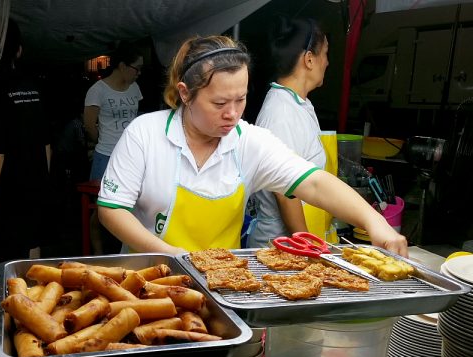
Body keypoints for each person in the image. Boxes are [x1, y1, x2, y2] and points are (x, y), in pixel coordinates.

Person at [96, 35, 408, 257]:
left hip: (220, 285)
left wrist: (374, 222)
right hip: (149, 282)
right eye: (219, 102)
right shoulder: (145, 134)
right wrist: (171, 255)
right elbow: (112, 209)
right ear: (185, 93)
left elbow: (313, 183)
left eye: (241, 99)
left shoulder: (249, 142)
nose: (232, 113)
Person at [0, 19, 54, 283]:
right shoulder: (32, 86)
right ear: (18, 50)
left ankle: (6, 317)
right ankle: (30, 314)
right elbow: (46, 144)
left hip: (5, 192)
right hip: (33, 186)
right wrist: (42, 184)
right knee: (30, 252)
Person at [247, 17, 332, 248]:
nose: (327, 62)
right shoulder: (281, 112)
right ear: (309, 59)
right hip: (280, 246)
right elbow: (285, 193)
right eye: (325, 53)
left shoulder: (299, 104)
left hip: (293, 241)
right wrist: (309, 248)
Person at [84, 42, 143, 254]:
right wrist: (104, 139)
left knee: (132, 208)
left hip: (132, 156)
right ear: (122, 66)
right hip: (106, 155)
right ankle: (99, 256)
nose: (138, 73)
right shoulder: (98, 90)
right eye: (136, 68)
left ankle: (124, 251)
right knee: (100, 210)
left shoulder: (135, 89)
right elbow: (89, 124)